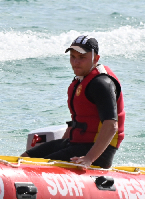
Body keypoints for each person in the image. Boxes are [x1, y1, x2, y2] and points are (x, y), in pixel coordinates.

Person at [22, 36, 125, 168]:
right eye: (72, 56)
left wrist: (89, 159)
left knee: (37, 167)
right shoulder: (81, 80)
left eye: (82, 57)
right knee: (26, 157)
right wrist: (60, 146)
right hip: (76, 144)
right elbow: (78, 120)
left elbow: (111, 126)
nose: (76, 62)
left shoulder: (101, 83)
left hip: (97, 151)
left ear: (96, 58)